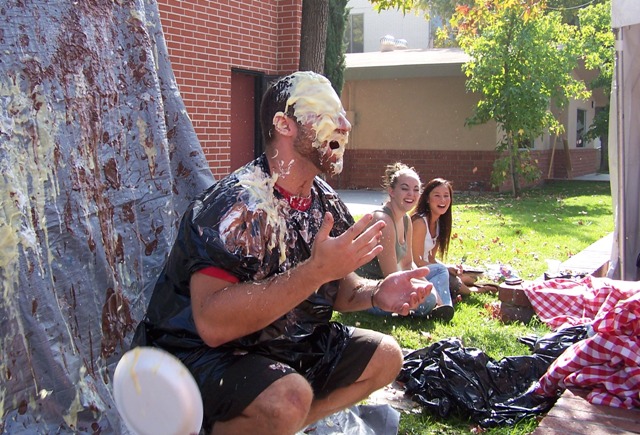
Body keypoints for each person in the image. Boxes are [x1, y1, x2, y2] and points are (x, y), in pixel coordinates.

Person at [131, 71, 432, 435]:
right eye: (328, 113)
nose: (346, 124)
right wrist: (314, 272)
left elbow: (342, 289)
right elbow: (211, 325)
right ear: (284, 124)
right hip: (195, 355)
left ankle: (281, 428)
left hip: (283, 346)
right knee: (288, 397)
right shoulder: (234, 206)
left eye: (343, 115)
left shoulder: (326, 203)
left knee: (386, 357)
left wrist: (376, 293)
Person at [356, 163, 454, 320]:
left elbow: (408, 264)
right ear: (392, 191)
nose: (411, 194)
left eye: (416, 190)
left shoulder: (406, 219)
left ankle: (442, 308)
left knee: (439, 271)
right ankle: (431, 305)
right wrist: (427, 290)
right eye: (405, 188)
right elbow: (392, 277)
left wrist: (428, 287)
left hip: (393, 284)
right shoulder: (383, 220)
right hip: (372, 295)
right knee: (428, 297)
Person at [411, 178, 478, 303]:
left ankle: (466, 282)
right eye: (437, 196)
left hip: (429, 269)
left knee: (468, 277)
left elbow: (431, 258)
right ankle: (477, 291)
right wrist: (444, 269)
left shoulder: (438, 223)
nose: (442, 200)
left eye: (446, 196)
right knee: (451, 279)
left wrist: (448, 267)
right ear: (427, 199)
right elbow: (417, 262)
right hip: (415, 271)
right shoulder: (420, 223)